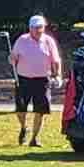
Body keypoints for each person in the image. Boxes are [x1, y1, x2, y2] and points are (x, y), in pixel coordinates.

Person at [10, 13, 64, 148]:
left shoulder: (48, 41)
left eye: (41, 27)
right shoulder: (22, 40)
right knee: (20, 109)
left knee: (40, 110)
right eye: (36, 28)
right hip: (23, 79)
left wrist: (57, 75)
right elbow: (13, 57)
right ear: (30, 28)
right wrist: (11, 59)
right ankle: (24, 128)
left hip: (42, 80)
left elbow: (56, 60)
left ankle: (34, 138)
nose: (39, 30)